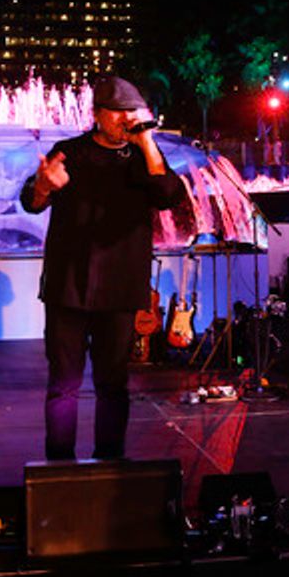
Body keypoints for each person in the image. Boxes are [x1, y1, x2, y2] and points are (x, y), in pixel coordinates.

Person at [20, 76, 185, 460]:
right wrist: (45, 187)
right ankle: (59, 466)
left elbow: (168, 195)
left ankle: (110, 463)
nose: (125, 119)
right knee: (64, 384)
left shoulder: (145, 158)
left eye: (132, 112)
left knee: (113, 384)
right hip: (68, 286)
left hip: (120, 288)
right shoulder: (70, 152)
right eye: (117, 112)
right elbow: (31, 200)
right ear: (97, 115)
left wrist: (145, 141)